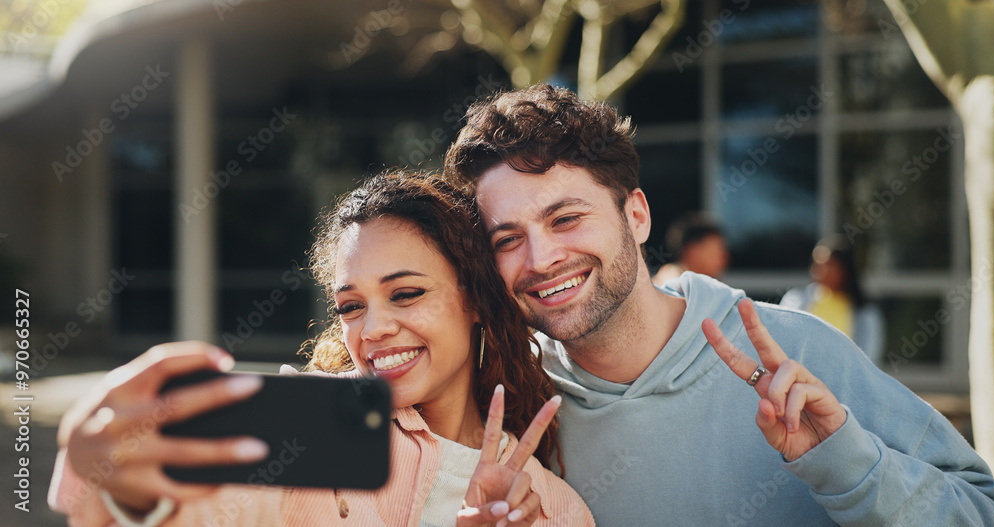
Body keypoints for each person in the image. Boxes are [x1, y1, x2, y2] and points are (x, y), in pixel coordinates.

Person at [444, 83, 994, 525]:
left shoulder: (796, 353)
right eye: (508, 240)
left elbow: (983, 512)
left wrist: (849, 465)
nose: (540, 259)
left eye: (565, 219)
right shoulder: (511, 401)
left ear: (636, 216)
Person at [48, 171, 595, 526]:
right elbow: (194, 511)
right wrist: (123, 492)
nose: (373, 328)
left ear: (475, 298)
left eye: (405, 294)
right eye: (351, 306)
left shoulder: (553, 509)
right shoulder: (303, 426)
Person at [780, 235, 886, 364]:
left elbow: (869, 360)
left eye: (826, 265)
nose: (817, 271)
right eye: (816, 263)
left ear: (844, 269)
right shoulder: (795, 300)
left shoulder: (865, 312)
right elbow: (784, 342)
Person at [651, 212, 729, 286]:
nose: (724, 258)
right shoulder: (672, 284)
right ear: (692, 251)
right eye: (714, 253)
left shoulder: (704, 285)